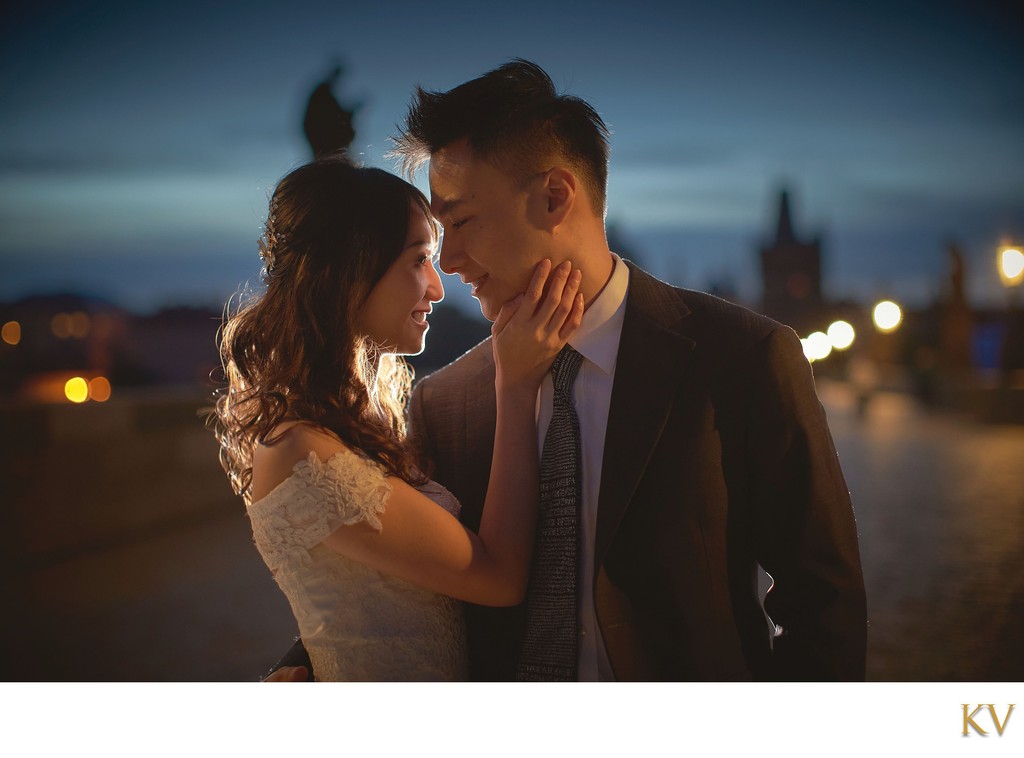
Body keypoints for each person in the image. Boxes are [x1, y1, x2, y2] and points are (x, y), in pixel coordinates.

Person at [273, 59, 867, 682]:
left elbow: (823, 605)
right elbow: (395, 566)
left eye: (462, 222)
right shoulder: (445, 401)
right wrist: (306, 663)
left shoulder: (742, 358)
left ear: (555, 196)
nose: (447, 263)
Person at [212, 156, 583, 681]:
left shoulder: (348, 421)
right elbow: (498, 578)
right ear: (350, 272)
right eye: (418, 260)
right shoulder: (303, 452)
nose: (436, 286)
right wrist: (516, 385)